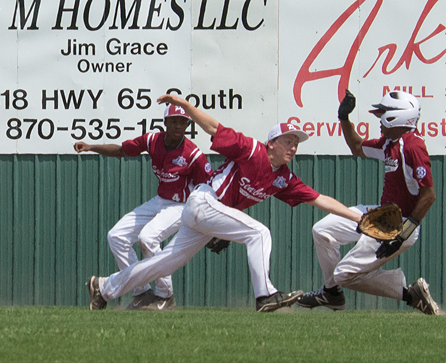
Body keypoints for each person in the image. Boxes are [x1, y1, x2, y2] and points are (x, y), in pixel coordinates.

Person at [85, 93, 364, 312]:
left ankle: (105, 287)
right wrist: (185, 105)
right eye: (287, 141)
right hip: (204, 202)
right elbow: (213, 127)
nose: (293, 146)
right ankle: (265, 294)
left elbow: (320, 200)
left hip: (208, 217)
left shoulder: (283, 179)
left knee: (164, 264)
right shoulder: (252, 150)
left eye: (296, 143)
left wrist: (358, 219)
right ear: (271, 143)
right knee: (259, 233)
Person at [297, 90, 441, 315]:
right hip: (381, 215)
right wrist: (344, 119)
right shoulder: (390, 143)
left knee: (344, 274)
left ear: (398, 117)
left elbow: (429, 195)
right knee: (322, 230)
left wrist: (402, 233)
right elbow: (357, 147)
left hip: (399, 224)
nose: (379, 120)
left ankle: (410, 294)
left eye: (382, 114)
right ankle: (331, 293)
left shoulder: (412, 146)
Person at [74, 104, 212, 311]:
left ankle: (165, 296)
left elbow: (208, 188)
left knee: (148, 238)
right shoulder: (152, 140)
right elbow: (122, 150)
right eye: (174, 120)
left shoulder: (193, 155)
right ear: (165, 122)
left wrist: (212, 223)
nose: (178, 125)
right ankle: (142, 293)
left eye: (183, 122)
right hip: (160, 200)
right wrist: (91, 147)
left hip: (182, 205)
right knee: (117, 236)